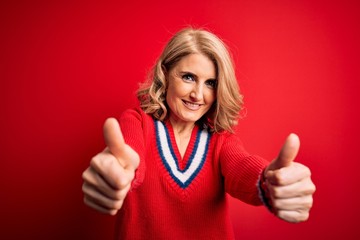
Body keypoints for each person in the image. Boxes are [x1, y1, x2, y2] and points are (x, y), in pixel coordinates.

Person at [82, 27, 316, 239]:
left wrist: (271, 182)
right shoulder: (137, 122)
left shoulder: (221, 140)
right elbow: (130, 156)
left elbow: (243, 168)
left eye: (211, 83)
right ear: (165, 74)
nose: (198, 94)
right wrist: (116, 171)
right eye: (188, 77)